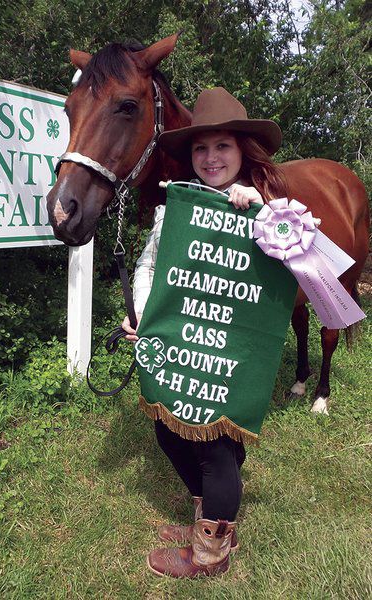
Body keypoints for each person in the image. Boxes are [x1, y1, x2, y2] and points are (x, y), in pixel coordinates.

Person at [121, 87, 286, 578]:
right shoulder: (176, 205)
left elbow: (297, 262)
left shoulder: (266, 209)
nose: (210, 157)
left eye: (223, 147)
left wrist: (263, 211)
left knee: (217, 449)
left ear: (242, 151)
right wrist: (145, 316)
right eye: (201, 148)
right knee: (167, 429)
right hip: (178, 343)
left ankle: (211, 552)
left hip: (228, 353)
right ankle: (204, 516)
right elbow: (152, 264)